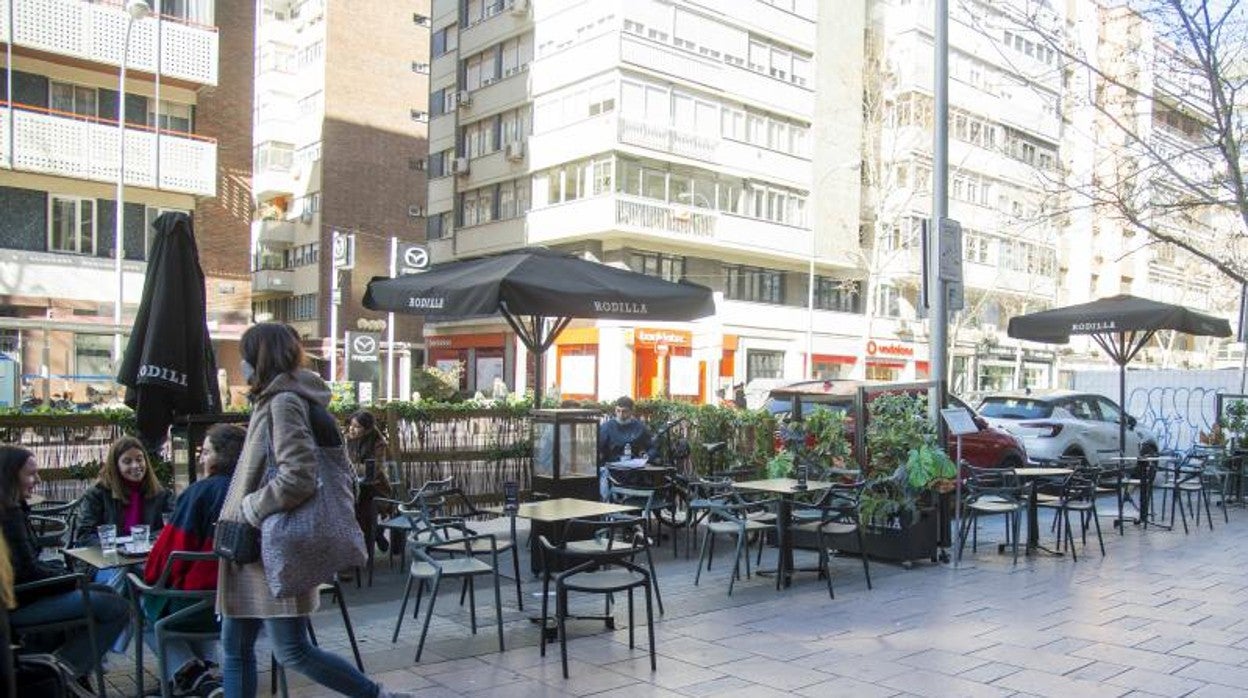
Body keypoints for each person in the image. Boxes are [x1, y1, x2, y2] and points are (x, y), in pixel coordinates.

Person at [218, 322, 411, 698]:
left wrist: (252, 507)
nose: (241, 365)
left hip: (266, 543)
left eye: (245, 356)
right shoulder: (290, 398)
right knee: (237, 648)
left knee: (290, 650)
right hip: (257, 543)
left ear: (258, 358)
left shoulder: (284, 401)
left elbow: (298, 476)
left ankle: (376, 695)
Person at [0, 446, 130, 684]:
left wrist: (66, 576)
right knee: (117, 607)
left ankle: (68, 668)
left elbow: (28, 568)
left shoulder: (13, 509)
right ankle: (63, 671)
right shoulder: (9, 517)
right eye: (31, 474)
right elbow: (26, 574)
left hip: (24, 597)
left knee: (108, 592)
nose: (38, 480)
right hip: (19, 604)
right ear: (10, 476)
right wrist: (69, 580)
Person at [141, 423, 246, 696]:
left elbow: (166, 559)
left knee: (139, 601)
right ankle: (209, 670)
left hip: (198, 608)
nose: (201, 458)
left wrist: (148, 576)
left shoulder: (199, 493)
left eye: (206, 451)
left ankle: (192, 673)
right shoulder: (258, 490)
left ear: (220, 457)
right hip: (247, 605)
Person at [76, 435, 174, 548]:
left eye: (139, 459)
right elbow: (84, 536)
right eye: (127, 461)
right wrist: (117, 546)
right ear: (116, 466)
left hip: (148, 556)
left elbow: (174, 527)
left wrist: (144, 541)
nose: (135, 465)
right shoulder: (97, 494)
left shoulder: (161, 493)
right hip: (109, 559)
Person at [344, 410, 393, 554]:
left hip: (376, 488)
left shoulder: (378, 444)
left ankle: (371, 537)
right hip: (352, 486)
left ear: (367, 429)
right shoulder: (345, 440)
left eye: (357, 427)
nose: (352, 429)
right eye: (351, 425)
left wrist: (353, 468)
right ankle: (372, 534)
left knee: (363, 506)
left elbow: (375, 469)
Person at [597, 397, 657, 500]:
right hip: (613, 470)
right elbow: (598, 450)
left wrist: (647, 457)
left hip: (635, 471)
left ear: (631, 411)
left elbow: (652, 447)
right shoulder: (607, 427)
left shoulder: (639, 427)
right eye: (618, 411)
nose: (620, 414)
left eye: (624, 411)